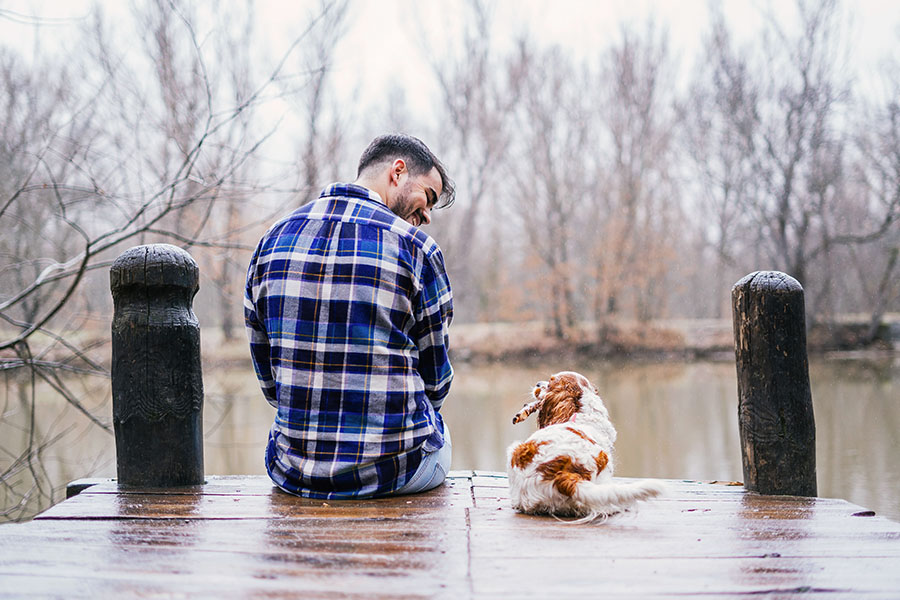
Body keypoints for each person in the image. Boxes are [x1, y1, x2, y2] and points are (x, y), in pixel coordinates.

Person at [244, 134, 455, 499]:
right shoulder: (417, 249)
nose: (427, 216)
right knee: (441, 432)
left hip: (293, 472)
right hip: (394, 471)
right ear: (398, 172)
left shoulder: (271, 240)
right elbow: (435, 385)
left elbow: (270, 384)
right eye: (429, 197)